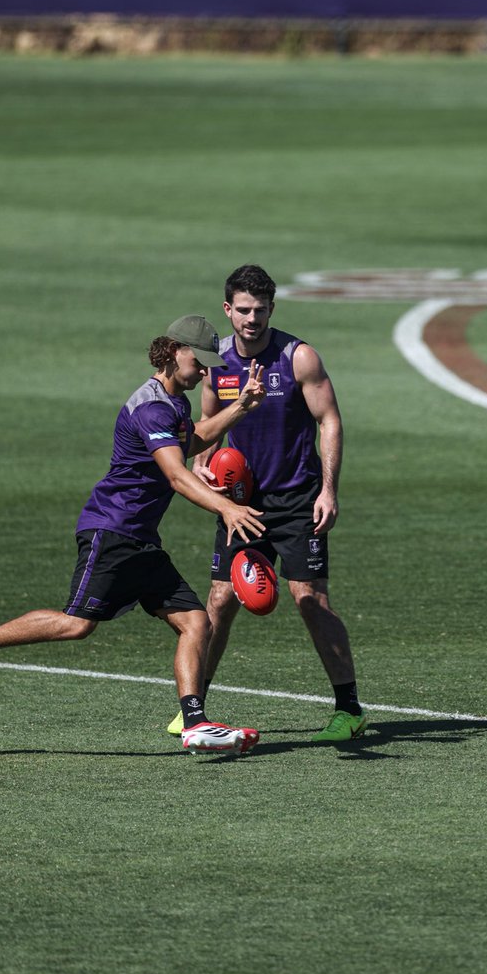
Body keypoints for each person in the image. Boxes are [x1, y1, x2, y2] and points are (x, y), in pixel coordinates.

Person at [0, 316, 269, 760]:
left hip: (142, 540)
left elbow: (192, 440)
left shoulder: (175, 403)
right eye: (198, 361)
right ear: (172, 351)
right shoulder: (152, 407)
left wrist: (241, 407)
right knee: (77, 624)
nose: (205, 371)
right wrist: (226, 507)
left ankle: (195, 724)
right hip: (111, 530)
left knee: (195, 622)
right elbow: (175, 474)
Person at [165, 263, 366, 744]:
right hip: (241, 504)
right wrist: (203, 467)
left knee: (309, 599)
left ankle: (349, 709)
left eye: (260, 310)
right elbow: (207, 430)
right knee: (220, 599)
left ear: (272, 309)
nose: (251, 319)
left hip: (297, 499)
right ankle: (195, 710)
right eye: (243, 310)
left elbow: (330, 420)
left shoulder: (299, 358)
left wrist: (329, 490)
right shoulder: (217, 366)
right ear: (227, 310)